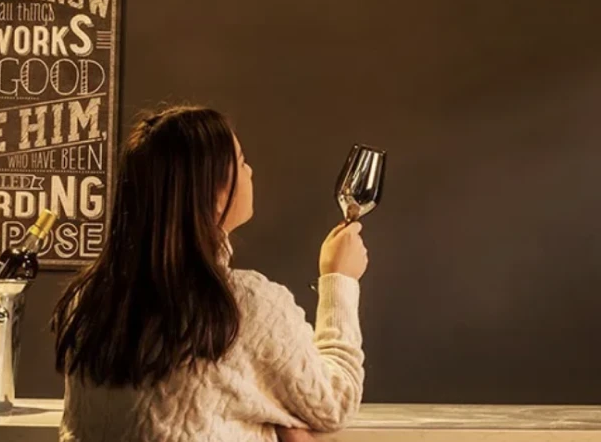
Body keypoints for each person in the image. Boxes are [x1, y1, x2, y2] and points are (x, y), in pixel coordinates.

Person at [53, 105, 369, 442]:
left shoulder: (88, 301)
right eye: (242, 161)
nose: (250, 171)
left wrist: (269, 411)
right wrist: (339, 280)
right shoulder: (246, 305)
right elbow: (336, 403)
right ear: (213, 194)